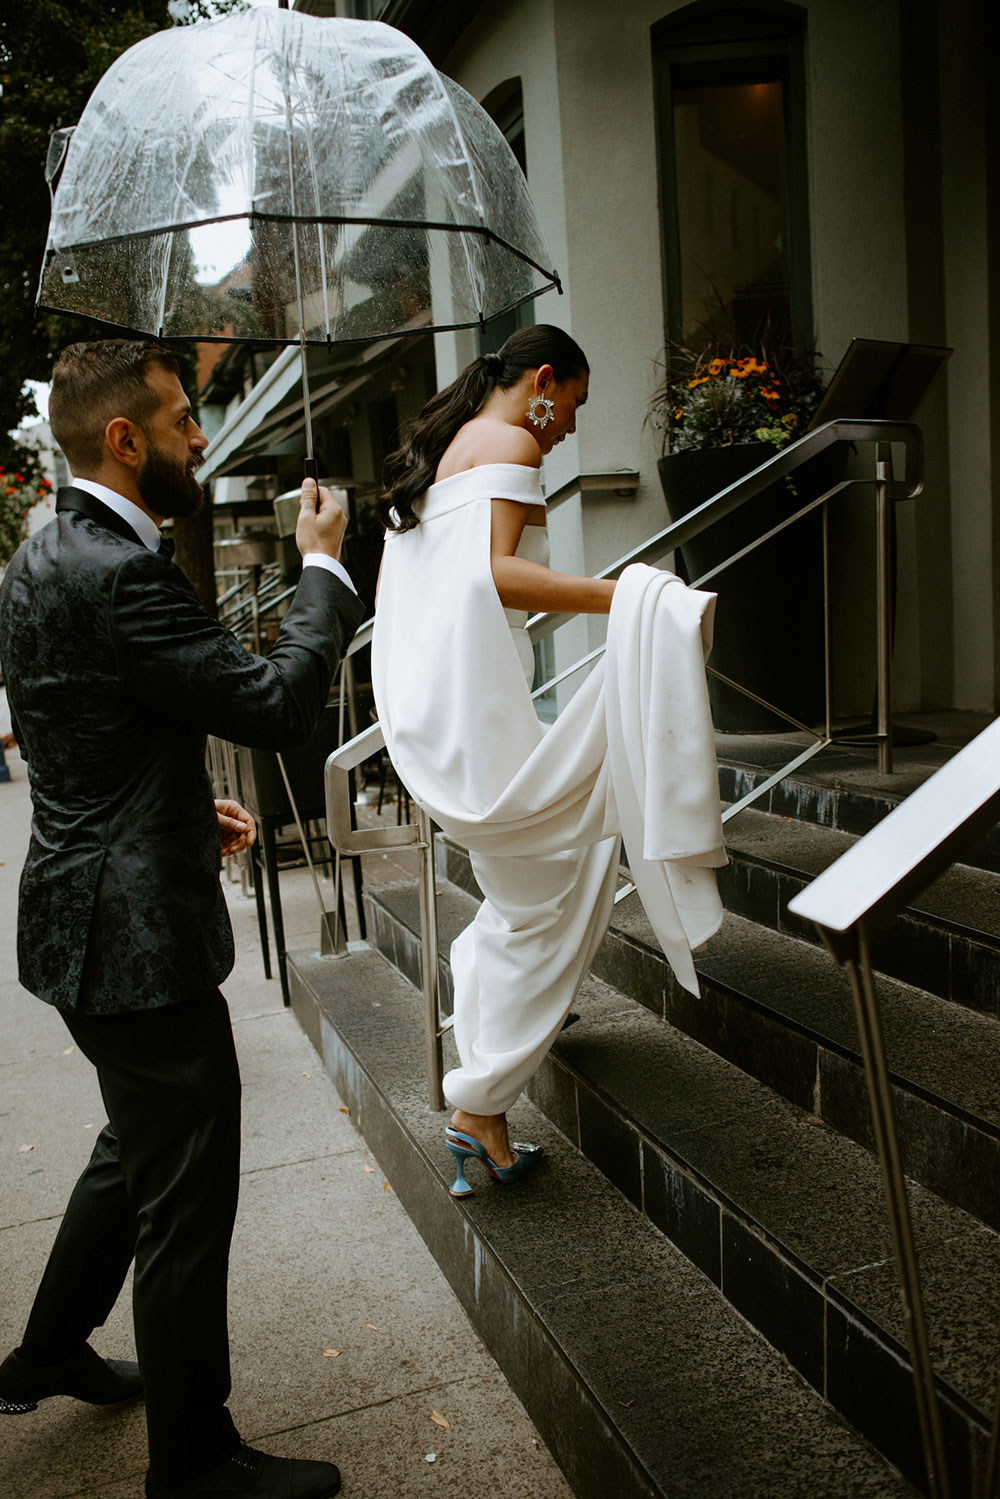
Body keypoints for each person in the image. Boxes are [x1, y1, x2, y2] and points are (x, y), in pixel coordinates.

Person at [0, 340, 365, 1499]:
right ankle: (195, 1462)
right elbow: (271, 702)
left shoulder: (44, 546)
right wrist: (320, 568)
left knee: (137, 1144)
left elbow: (79, 720)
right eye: (182, 418)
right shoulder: (119, 567)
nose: (201, 437)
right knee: (185, 1190)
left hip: (84, 907)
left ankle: (51, 1348)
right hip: (133, 940)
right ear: (125, 439)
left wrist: (167, 798)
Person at [371, 325, 725, 1198]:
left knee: (531, 896)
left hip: (444, 722)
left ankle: (481, 1106)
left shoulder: (446, 449)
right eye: (573, 400)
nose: (569, 425)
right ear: (541, 380)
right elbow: (498, 578)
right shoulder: (513, 440)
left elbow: (469, 591)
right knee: (570, 875)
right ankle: (478, 1102)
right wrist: (631, 594)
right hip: (483, 724)